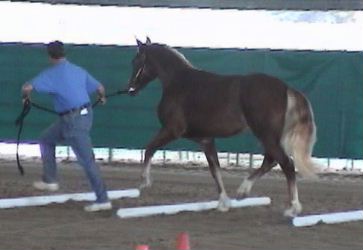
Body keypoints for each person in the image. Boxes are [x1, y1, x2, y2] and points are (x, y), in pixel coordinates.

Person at [21, 40, 111, 212]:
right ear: (64, 53)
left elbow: (27, 87)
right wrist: (102, 97)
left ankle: (103, 199)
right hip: (82, 116)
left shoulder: (51, 74)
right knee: (46, 139)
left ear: (49, 56)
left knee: (87, 161)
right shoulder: (77, 70)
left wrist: (25, 98)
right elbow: (100, 87)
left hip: (72, 120)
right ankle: (50, 180)